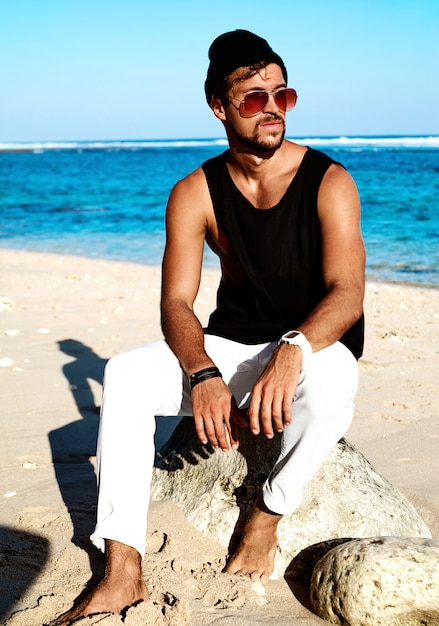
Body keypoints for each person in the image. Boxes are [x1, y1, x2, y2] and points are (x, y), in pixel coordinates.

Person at [55, 29, 365, 624]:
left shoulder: (329, 180)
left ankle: (266, 514)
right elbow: (176, 302)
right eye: (254, 98)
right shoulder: (194, 191)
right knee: (122, 373)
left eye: (283, 94)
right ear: (220, 108)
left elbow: (347, 293)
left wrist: (295, 348)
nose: (272, 108)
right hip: (230, 345)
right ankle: (123, 569)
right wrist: (200, 371)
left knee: (331, 392)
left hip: (314, 346)